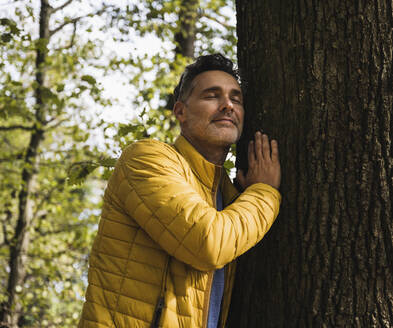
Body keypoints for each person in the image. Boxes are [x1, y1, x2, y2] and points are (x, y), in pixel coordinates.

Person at [78, 54, 281, 328]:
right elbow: (208, 244)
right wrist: (265, 192)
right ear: (181, 112)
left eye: (236, 99)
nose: (227, 106)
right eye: (212, 96)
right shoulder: (146, 159)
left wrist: (245, 197)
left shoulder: (232, 198)